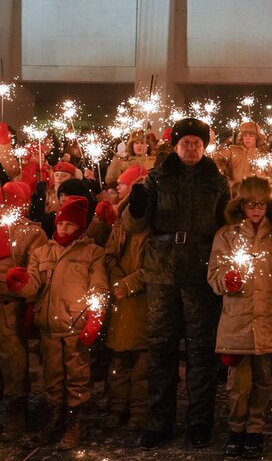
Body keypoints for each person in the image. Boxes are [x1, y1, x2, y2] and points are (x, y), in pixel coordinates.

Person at [122, 117, 230, 450]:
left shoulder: (217, 181)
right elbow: (134, 226)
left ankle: (200, 420)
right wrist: (136, 206)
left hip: (200, 272)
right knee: (162, 349)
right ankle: (160, 421)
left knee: (200, 351)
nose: (192, 147)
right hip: (162, 272)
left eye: (197, 143)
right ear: (175, 145)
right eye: (186, 142)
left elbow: (227, 223)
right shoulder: (155, 179)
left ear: (205, 146)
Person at [7, 196, 108, 450]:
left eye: (69, 224)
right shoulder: (42, 252)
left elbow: (99, 288)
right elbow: (33, 285)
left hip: (75, 325)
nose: (62, 228)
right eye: (60, 223)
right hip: (49, 326)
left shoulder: (92, 253)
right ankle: (54, 419)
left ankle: (76, 421)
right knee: (52, 377)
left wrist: (95, 318)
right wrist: (20, 283)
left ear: (80, 227)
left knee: (77, 375)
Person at [208, 176, 272, 458]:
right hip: (237, 319)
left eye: (261, 205)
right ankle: (237, 428)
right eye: (250, 205)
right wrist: (226, 281)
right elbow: (214, 273)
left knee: (264, 378)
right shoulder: (227, 235)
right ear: (241, 205)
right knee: (238, 382)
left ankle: (256, 428)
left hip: (268, 317)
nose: (256, 210)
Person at [0, 182, 47, 441]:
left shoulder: (31, 234)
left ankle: (16, 414)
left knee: (12, 361)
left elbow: (36, 271)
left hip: (9, 306)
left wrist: (21, 283)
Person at [102, 165, 150, 431]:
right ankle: (118, 407)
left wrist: (129, 283)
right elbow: (109, 254)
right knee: (119, 360)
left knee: (143, 362)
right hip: (120, 300)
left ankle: (139, 411)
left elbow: (154, 265)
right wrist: (116, 281)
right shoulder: (119, 223)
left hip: (142, 301)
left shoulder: (153, 228)